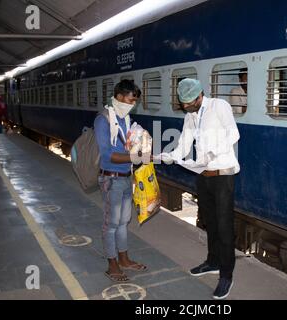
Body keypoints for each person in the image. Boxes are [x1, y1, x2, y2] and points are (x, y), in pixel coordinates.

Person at [159, 78, 240, 299]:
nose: (186, 107)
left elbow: (234, 134)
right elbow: (184, 144)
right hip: (203, 176)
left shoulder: (219, 106)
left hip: (223, 176)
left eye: (189, 103)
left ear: (199, 96)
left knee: (224, 227)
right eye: (183, 103)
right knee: (210, 223)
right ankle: (213, 262)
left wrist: (215, 152)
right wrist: (169, 156)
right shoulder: (190, 117)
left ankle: (226, 276)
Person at [94, 79, 149, 282]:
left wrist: (141, 145)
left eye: (134, 101)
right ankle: (112, 264)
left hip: (126, 177)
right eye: (130, 99)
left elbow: (126, 147)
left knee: (124, 222)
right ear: (118, 97)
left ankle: (124, 259)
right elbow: (107, 155)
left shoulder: (125, 119)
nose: (132, 104)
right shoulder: (103, 119)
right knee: (111, 224)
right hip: (111, 179)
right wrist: (138, 157)